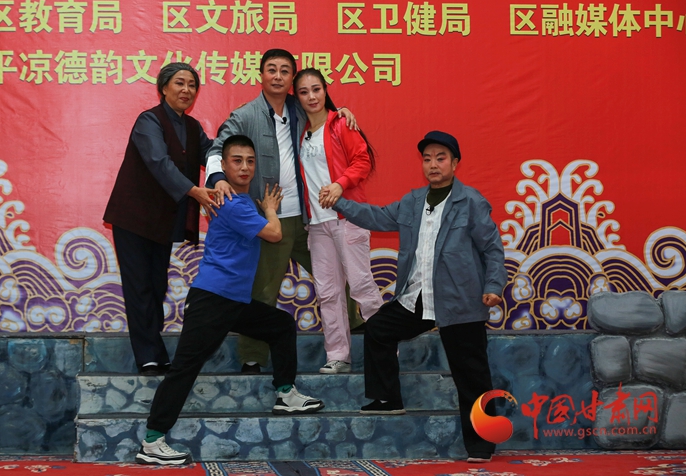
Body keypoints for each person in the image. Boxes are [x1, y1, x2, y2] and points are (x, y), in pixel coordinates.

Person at [136, 136, 325, 466]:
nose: (245, 167)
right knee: (184, 368)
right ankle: (152, 441)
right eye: (237, 161)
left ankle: (285, 393)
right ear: (223, 166)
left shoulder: (239, 200)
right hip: (213, 299)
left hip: (233, 300)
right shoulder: (233, 204)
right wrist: (270, 210)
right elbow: (275, 234)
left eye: (250, 161)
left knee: (280, 324)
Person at [331, 131, 507, 463]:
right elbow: (376, 217)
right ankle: (388, 399)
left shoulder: (471, 201)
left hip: (460, 301)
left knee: (472, 375)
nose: (433, 165)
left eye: (441, 158)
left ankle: (482, 444)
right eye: (427, 159)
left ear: (455, 163)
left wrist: (493, 287)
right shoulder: (412, 202)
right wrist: (338, 202)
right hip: (418, 297)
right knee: (378, 329)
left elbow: (492, 250)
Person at [205, 49, 358, 373]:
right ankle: (252, 357)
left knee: (336, 277)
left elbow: (325, 119)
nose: (278, 76)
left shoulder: (299, 108)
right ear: (260, 75)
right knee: (263, 289)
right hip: (268, 219)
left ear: (292, 79)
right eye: (272, 69)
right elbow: (217, 148)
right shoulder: (245, 115)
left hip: (307, 217)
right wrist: (218, 179)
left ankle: (356, 332)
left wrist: (340, 112)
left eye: (285, 71)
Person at [104, 63, 219, 377]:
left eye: (192, 85)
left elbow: (211, 154)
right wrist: (195, 191)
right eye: (179, 83)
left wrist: (225, 168)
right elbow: (159, 162)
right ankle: (149, 356)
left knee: (157, 285)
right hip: (133, 217)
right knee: (140, 286)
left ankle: (153, 350)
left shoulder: (192, 127)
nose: (186, 90)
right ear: (164, 88)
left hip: (163, 220)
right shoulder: (148, 121)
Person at [293, 68, 384, 374]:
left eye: (316, 89)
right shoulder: (300, 131)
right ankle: (338, 355)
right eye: (304, 92)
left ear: (325, 90)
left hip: (348, 219)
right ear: (297, 98)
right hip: (317, 225)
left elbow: (363, 160)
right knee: (328, 293)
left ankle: (384, 349)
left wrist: (339, 184)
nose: (311, 96)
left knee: (361, 286)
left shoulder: (341, 123)